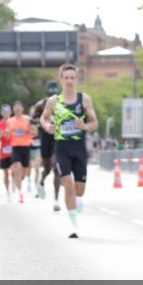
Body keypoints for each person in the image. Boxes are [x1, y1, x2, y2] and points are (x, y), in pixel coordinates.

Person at [41, 63, 98, 238]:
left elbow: (95, 124)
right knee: (67, 185)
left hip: (79, 147)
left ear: (77, 79)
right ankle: (74, 226)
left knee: (79, 190)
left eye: (72, 78)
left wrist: (85, 125)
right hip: (62, 147)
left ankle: (77, 200)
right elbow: (43, 118)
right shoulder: (54, 101)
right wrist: (48, 126)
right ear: (61, 79)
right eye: (66, 78)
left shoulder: (84, 99)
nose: (69, 81)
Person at [32, 81, 62, 211]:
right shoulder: (40, 105)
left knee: (57, 168)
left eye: (54, 93)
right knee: (48, 169)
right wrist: (42, 122)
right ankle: (42, 181)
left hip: (58, 137)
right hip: (45, 138)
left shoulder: (62, 103)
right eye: (50, 93)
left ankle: (56, 199)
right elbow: (32, 119)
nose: (52, 95)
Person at [7, 101, 35, 203]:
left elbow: (34, 132)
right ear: (13, 109)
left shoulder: (28, 119)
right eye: (16, 107)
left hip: (26, 146)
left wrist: (28, 131)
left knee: (25, 171)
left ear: (22, 109)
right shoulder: (10, 121)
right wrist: (5, 133)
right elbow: (8, 135)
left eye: (19, 107)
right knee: (17, 167)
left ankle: (22, 180)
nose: (17, 109)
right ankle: (20, 193)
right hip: (15, 147)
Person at [0, 104, 14, 201]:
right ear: (1, 113)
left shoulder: (14, 122)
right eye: (4, 112)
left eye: (8, 111)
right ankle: (8, 192)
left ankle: (14, 182)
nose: (6, 114)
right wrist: (1, 135)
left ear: (11, 112)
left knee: (14, 170)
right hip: (4, 151)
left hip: (14, 149)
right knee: (5, 173)